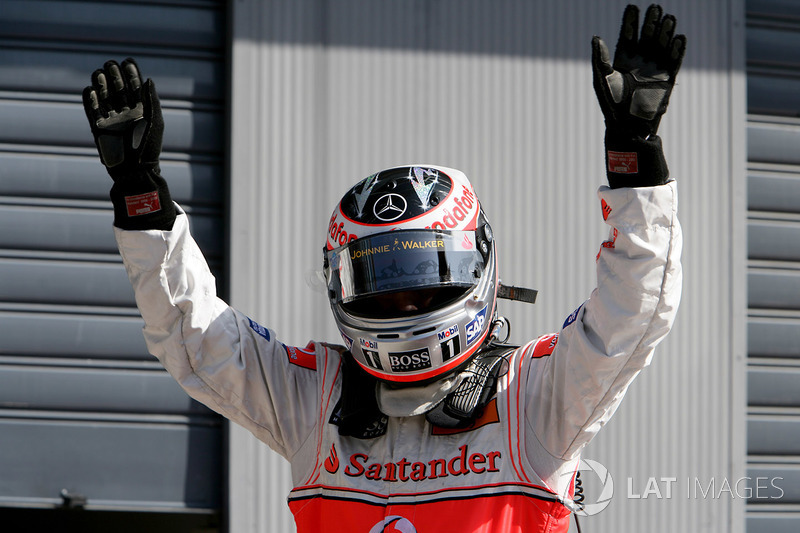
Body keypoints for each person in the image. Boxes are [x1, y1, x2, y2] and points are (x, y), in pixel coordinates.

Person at [82, 4, 685, 532]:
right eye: (378, 282)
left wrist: (635, 158)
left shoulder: (536, 399)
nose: (402, 304)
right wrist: (143, 202)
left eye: (422, 279)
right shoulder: (316, 403)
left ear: (478, 266)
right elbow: (194, 337)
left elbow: (635, 308)